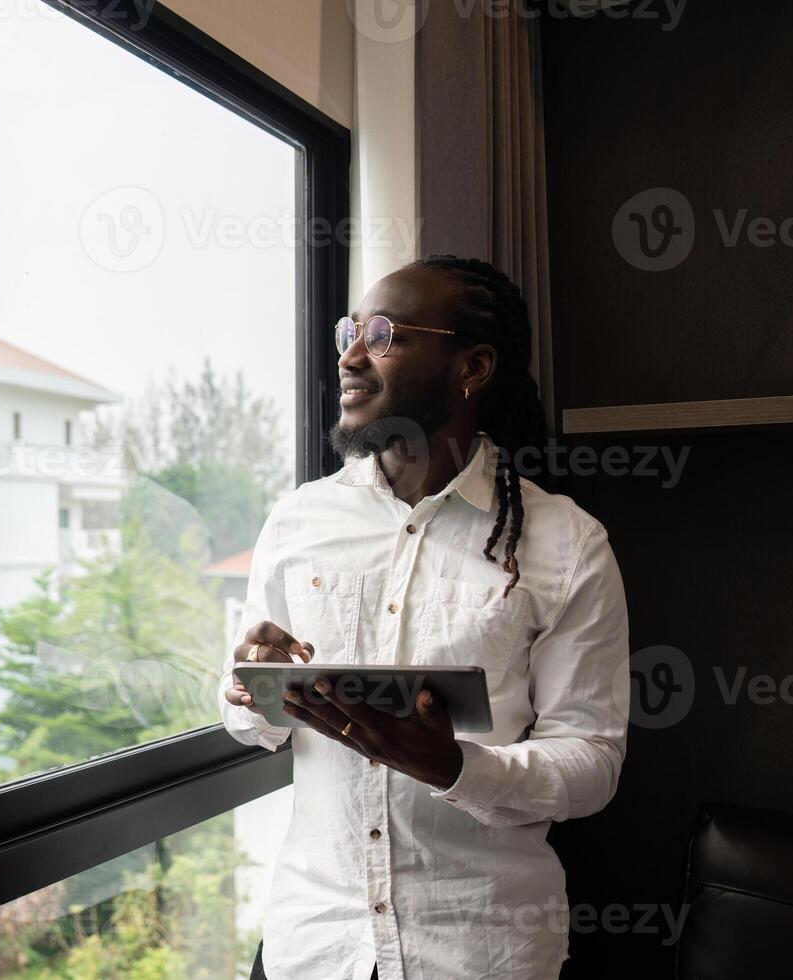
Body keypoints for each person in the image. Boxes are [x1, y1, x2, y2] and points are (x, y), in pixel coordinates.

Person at [220, 255, 630, 980]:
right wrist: (252, 690)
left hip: (479, 953)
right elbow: (252, 725)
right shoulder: (298, 521)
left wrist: (457, 769)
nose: (348, 356)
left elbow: (592, 762)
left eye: (383, 334)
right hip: (313, 947)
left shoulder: (566, 543)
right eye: (351, 330)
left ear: (470, 367)